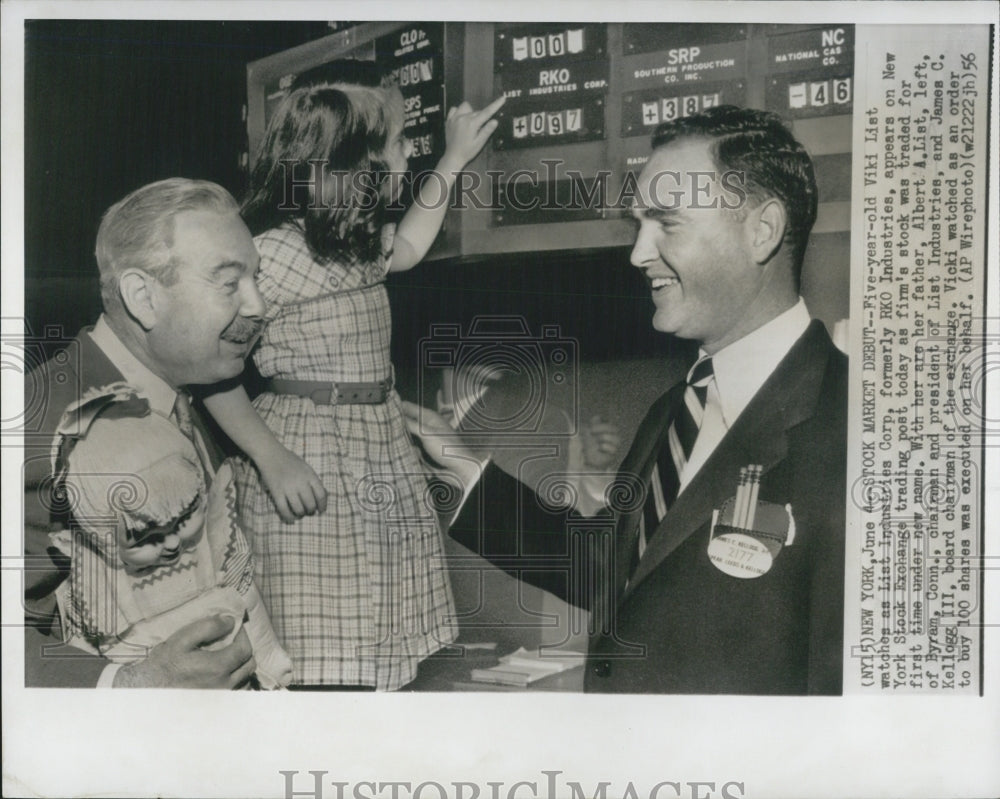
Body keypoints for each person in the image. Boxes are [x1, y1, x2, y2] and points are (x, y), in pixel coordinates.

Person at [409, 105, 847, 694]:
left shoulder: (860, 431)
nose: (638, 253)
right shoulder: (677, 407)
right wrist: (468, 475)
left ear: (762, 231)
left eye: (667, 222)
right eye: (638, 223)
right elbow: (622, 571)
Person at [199, 78, 505, 688]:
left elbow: (414, 244)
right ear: (348, 165)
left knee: (378, 609)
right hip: (305, 454)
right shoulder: (269, 256)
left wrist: (454, 157)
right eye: (394, 145)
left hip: (377, 444)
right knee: (320, 624)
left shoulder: (358, 243)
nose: (405, 156)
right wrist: (272, 458)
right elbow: (211, 372)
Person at [23, 178, 268, 688]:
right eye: (230, 283)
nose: (257, 306)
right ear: (143, 296)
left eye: (256, 280)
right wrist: (128, 686)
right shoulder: (37, 426)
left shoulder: (187, 393)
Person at [52, 411, 293, 689]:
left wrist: (272, 662)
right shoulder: (95, 582)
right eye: (145, 537)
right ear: (98, 538)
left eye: (185, 518)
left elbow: (249, 600)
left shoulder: (212, 546)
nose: (173, 543)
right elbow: (82, 648)